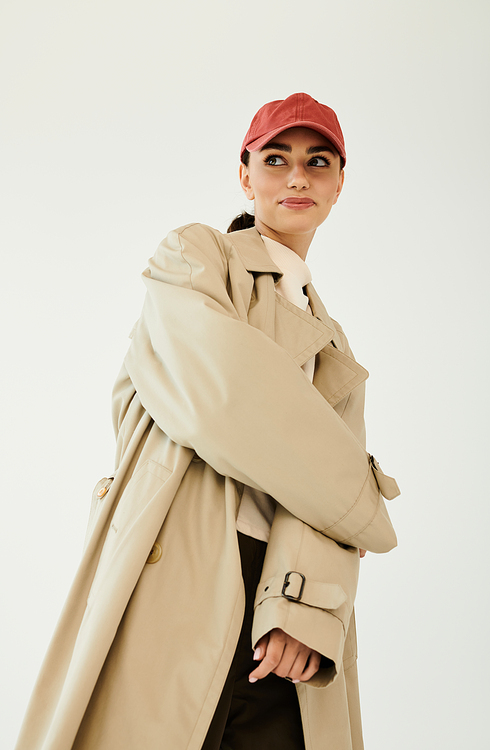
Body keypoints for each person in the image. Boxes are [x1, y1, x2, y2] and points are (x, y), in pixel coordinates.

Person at [15, 93, 400, 750]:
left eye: (318, 161)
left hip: (282, 601)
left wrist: (303, 607)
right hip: (175, 568)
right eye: (276, 159)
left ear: (341, 182)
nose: (298, 177)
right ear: (245, 175)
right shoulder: (195, 259)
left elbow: (319, 489)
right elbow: (223, 398)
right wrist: (363, 498)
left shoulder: (335, 347)